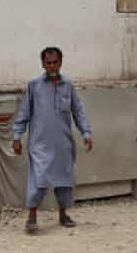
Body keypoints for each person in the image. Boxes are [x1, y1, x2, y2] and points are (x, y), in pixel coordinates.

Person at [12, 47, 93, 234]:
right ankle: (32, 217)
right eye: (48, 63)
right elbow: (24, 112)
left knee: (64, 180)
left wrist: (86, 133)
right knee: (38, 180)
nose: (52, 66)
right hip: (40, 144)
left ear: (61, 62)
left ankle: (63, 214)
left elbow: (78, 111)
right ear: (43, 64)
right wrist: (17, 136)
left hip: (63, 143)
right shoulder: (34, 86)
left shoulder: (68, 86)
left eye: (55, 62)